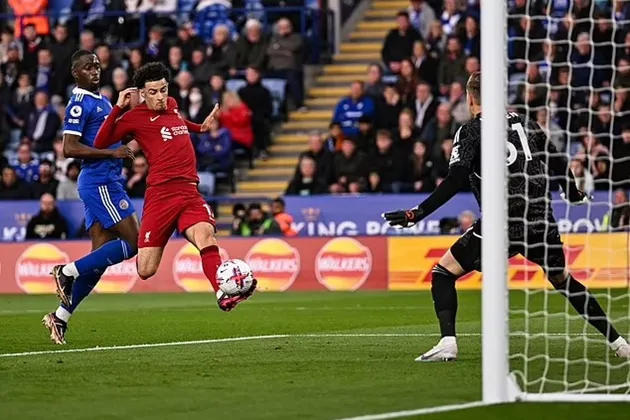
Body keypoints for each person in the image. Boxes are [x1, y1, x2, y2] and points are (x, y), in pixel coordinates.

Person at [382, 71, 630, 361]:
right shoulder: (526, 122)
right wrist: (572, 193)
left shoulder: (471, 130)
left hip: (502, 222)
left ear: (470, 97)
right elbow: (558, 161)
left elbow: (455, 179)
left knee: (443, 271)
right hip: (540, 220)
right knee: (563, 280)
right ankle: (619, 343)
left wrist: (417, 212)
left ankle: (448, 342)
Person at [93, 62, 257, 312]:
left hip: (189, 191)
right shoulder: (133, 118)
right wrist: (117, 107)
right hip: (160, 196)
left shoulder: (171, 106)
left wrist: (198, 127)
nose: (160, 97)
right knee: (145, 269)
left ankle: (223, 292)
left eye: (163, 90)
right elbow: (101, 141)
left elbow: (177, 122)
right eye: (154, 92)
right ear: (141, 93)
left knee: (206, 236)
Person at [43, 50, 139, 346]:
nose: (95, 70)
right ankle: (66, 271)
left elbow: (105, 136)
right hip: (100, 182)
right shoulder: (79, 102)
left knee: (97, 264)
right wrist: (112, 153)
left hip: (107, 179)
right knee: (135, 243)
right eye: (88, 67)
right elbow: (69, 148)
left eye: (97, 65)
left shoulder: (103, 100)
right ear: (76, 73)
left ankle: (59, 317)